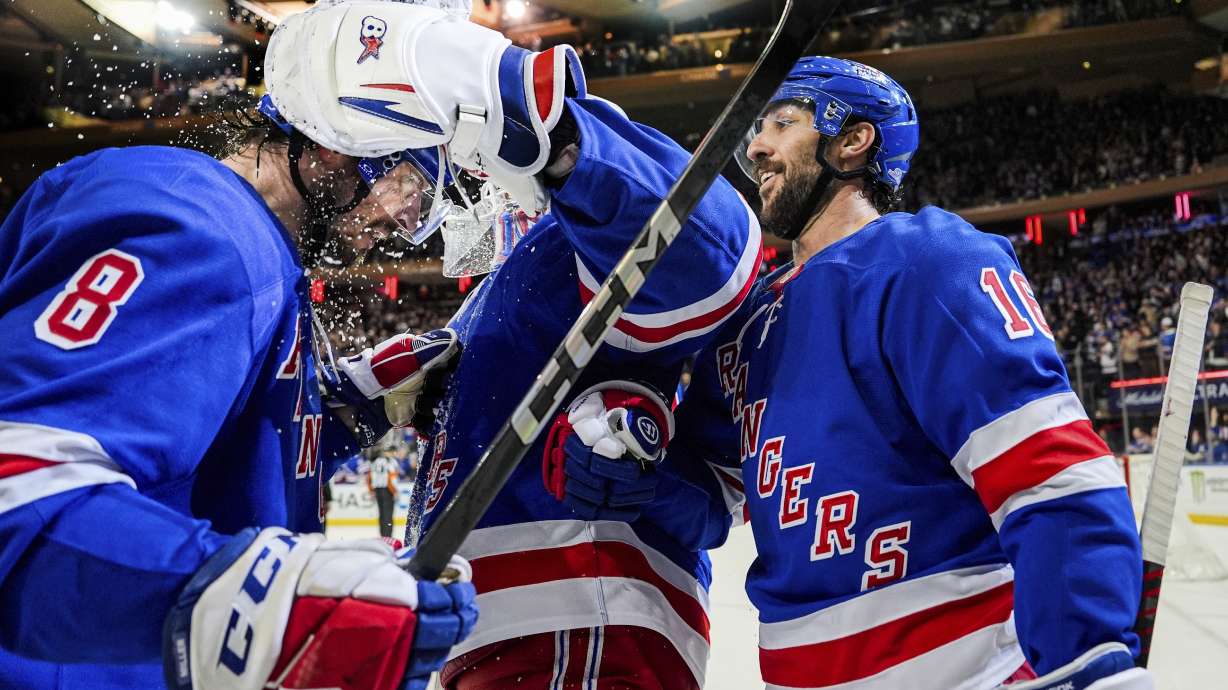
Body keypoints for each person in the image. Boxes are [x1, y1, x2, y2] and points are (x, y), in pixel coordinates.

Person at [594, 56, 1150, 689]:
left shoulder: (926, 260)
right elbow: (711, 499)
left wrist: (1087, 655)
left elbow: (1047, 470)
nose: (756, 147)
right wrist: (628, 463)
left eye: (783, 122)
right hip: (795, 672)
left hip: (962, 669)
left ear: (853, 141)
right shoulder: (744, 326)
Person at [259, 3, 757, 687]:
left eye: (404, 182)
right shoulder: (494, 298)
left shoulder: (566, 250)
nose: (398, 217)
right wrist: (361, 403)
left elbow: (711, 254)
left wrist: (550, 129)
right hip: (503, 628)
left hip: (583, 616)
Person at [0, 7, 478, 690]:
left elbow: (208, 450)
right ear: (345, 143)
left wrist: (363, 401)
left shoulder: (245, 242)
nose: (402, 226)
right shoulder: (206, 234)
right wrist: (266, 603)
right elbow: (19, 491)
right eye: (409, 189)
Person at [368, 449, 401, 537]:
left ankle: (382, 535)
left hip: (377, 490)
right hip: (387, 490)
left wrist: (371, 490)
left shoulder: (375, 462)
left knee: (382, 514)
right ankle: (388, 536)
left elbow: (369, 477)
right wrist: (395, 491)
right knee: (388, 515)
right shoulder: (390, 461)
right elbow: (391, 478)